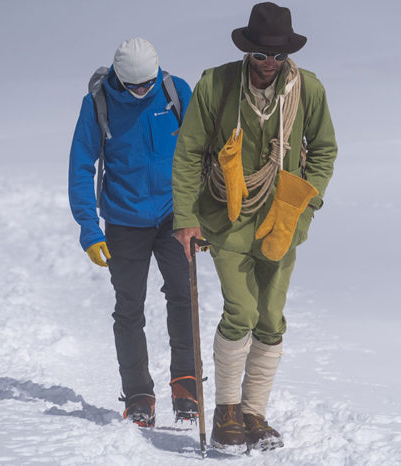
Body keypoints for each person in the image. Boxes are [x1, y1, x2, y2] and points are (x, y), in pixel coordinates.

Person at [172, 2, 337, 454]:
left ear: (287, 55)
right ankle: (226, 408)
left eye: (277, 56)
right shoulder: (216, 84)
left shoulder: (309, 90)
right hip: (225, 220)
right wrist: (185, 217)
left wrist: (306, 203)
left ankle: (253, 412)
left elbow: (323, 150)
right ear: (248, 52)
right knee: (240, 311)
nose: (269, 64)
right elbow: (188, 153)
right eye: (261, 55)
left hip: (282, 222)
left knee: (270, 318)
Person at [68, 37, 197, 427]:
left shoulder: (176, 92)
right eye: (135, 86)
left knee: (183, 297)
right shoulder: (98, 104)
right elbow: (80, 167)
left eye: (149, 84)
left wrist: (200, 213)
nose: (143, 92)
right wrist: (90, 229)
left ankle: (187, 384)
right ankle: (139, 393)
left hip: (174, 217)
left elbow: (200, 153)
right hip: (124, 221)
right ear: (120, 79)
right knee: (129, 309)